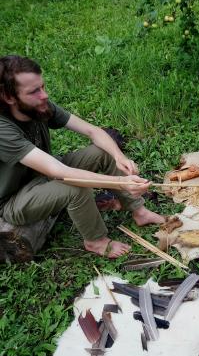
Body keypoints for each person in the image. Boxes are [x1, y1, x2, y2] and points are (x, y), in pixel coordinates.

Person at [0, 55, 164, 259]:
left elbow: (92, 131)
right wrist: (121, 181)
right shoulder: (3, 129)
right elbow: (59, 172)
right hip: (14, 200)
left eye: (42, 86)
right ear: (9, 97)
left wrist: (119, 156)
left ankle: (139, 211)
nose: (44, 95)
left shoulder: (38, 105)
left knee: (104, 152)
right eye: (34, 91)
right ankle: (96, 241)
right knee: (75, 186)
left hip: (42, 175)